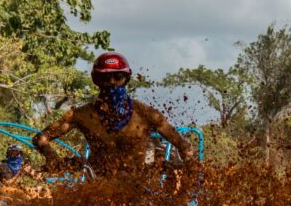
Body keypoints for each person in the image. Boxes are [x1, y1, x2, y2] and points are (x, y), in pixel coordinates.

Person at [32, 52, 199, 181]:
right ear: (96, 80)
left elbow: (184, 146)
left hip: (137, 190)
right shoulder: (81, 115)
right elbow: (40, 139)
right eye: (105, 78)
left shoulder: (146, 114)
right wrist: (55, 162)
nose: (112, 82)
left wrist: (191, 173)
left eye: (117, 77)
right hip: (99, 187)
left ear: (126, 79)